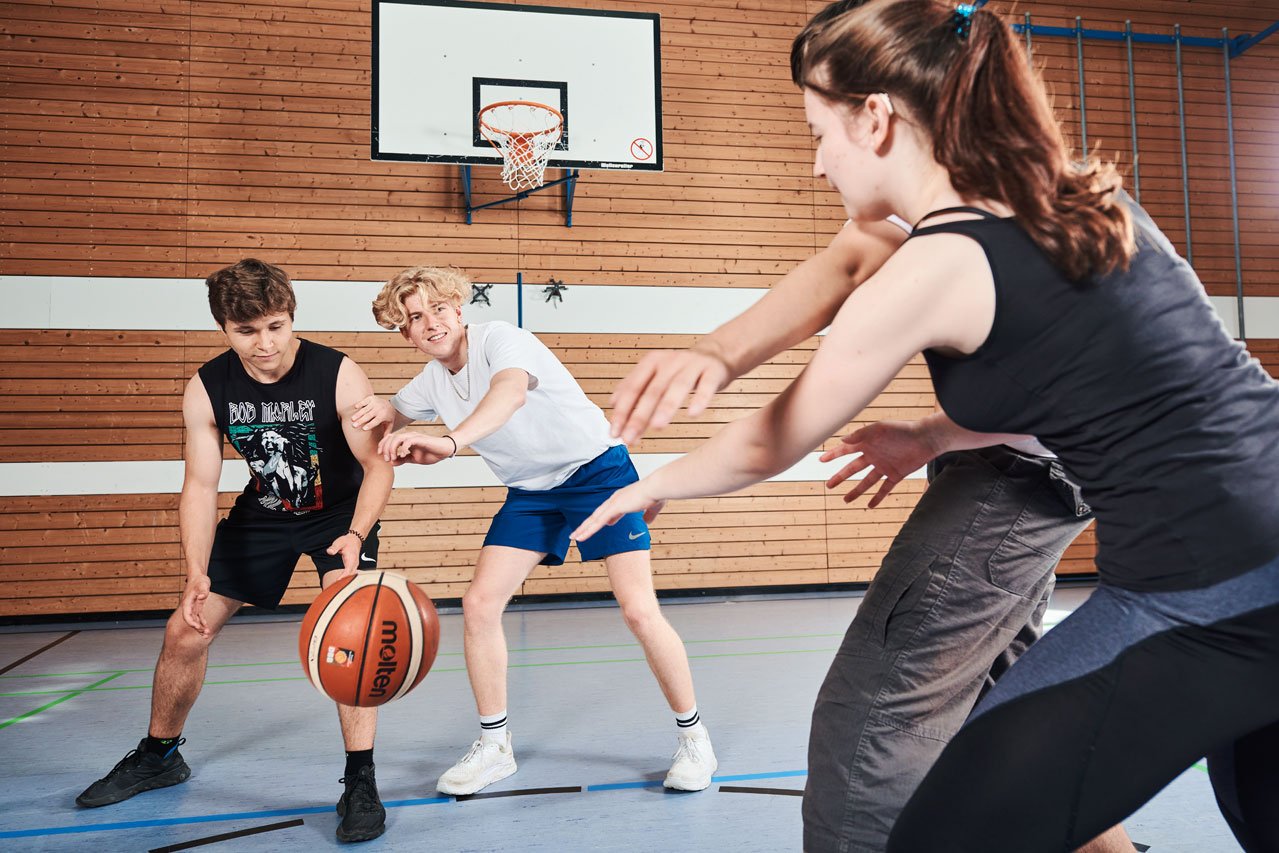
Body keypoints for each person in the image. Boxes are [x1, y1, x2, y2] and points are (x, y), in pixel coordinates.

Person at [575, 1, 1279, 850]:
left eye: (817, 133)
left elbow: (771, 438)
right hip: (1235, 561)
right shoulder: (1073, 198)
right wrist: (931, 436)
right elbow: (1106, 390)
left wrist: (649, 482)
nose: (816, 164)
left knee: (942, 831)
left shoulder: (938, 262)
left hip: (1209, 588)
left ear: (875, 118)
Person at [351, 265, 717, 795]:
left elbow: (509, 396)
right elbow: (394, 415)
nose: (430, 323)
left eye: (438, 308)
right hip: (531, 492)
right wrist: (384, 416)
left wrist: (448, 443)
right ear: (404, 333)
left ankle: (694, 738)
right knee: (479, 605)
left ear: (458, 308)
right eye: (414, 318)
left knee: (639, 610)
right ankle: (495, 746)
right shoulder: (431, 380)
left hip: (598, 473)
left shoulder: (502, 340)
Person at [76, 259, 396, 844]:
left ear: (291, 317)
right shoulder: (208, 386)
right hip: (265, 513)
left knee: (350, 633)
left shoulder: (338, 374)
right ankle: (160, 755)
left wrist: (356, 534)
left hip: (339, 516)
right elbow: (200, 486)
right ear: (224, 328)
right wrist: (196, 571)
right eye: (247, 331)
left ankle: (360, 778)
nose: (265, 343)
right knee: (186, 630)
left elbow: (377, 466)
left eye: (276, 326)